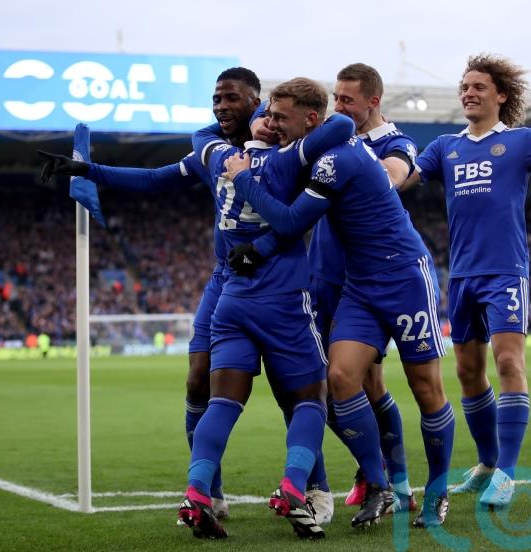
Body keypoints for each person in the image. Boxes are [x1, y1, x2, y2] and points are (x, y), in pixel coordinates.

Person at [223, 77, 454, 529]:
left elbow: (290, 220)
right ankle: (380, 483)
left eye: (281, 117)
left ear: (312, 118)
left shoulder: (336, 159)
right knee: (341, 377)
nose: (273, 124)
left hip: (404, 275)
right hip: (359, 285)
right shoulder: (320, 153)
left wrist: (243, 179)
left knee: (426, 388)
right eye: (269, 116)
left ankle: (438, 491)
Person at [38, 67, 262, 519]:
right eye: (216, 98)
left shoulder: (286, 144)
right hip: (226, 279)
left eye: (231, 98)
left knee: (298, 392)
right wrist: (90, 170)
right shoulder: (211, 149)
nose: (221, 106)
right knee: (198, 378)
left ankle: (312, 490)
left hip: (282, 280)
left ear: (256, 100)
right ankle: (209, 492)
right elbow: (157, 179)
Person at [400, 53, 531, 508]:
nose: (468, 92)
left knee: (509, 364)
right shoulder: (444, 146)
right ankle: (486, 463)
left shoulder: (523, 141)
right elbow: (403, 181)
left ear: (500, 96)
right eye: (464, 86)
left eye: (478, 86)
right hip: (463, 274)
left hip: (505, 271)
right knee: (468, 372)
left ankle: (507, 473)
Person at [179, 80, 354, 540]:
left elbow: (200, 141)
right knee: (310, 400)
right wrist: (294, 130)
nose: (273, 122)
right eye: (270, 117)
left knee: (222, 400)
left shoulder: (219, 156)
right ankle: (296, 486)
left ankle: (197, 491)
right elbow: (341, 125)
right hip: (283, 302)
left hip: (231, 300)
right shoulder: (285, 159)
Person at [316, 62, 419, 511]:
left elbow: (393, 176)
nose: (336, 107)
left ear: (373, 101)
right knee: (324, 384)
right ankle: (371, 467)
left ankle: (395, 483)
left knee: (364, 381)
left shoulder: (395, 143)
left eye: (346, 100)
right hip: (321, 274)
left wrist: (347, 157)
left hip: (364, 279)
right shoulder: (334, 138)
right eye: (334, 98)